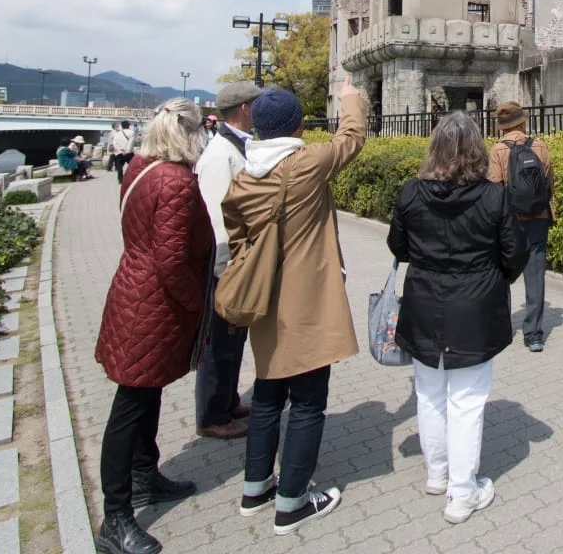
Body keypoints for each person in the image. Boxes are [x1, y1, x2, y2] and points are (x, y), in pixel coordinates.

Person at [223, 79, 366, 537]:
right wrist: (348, 95)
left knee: (267, 394)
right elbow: (352, 138)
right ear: (298, 125)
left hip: (264, 299)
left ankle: (255, 488)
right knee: (307, 400)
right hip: (306, 300)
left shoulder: (244, 177)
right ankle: (293, 502)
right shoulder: (305, 164)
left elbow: (237, 235)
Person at [389, 112, 528, 525]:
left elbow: (399, 246)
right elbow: (514, 253)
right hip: (475, 305)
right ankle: (462, 491)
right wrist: (492, 278)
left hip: (424, 301)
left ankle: (438, 473)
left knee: (429, 393)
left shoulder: (411, 192)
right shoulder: (492, 196)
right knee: (466, 401)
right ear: (476, 149)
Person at [92, 98, 214, 554]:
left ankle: (145, 475)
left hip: (131, 289)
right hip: (155, 303)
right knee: (131, 404)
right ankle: (116, 517)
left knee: (146, 394)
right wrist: (195, 303)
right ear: (190, 131)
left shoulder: (140, 167)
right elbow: (171, 260)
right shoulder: (177, 181)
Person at [191, 82, 263, 441]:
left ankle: (228, 400)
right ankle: (212, 414)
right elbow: (218, 218)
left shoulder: (237, 144)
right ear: (245, 108)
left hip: (238, 262)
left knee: (233, 340)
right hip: (227, 264)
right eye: (256, 103)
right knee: (219, 343)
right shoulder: (221, 154)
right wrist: (228, 267)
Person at [488, 102, 554, 352]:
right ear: (522, 122)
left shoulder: (498, 149)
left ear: (503, 126)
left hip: (509, 219)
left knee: (503, 272)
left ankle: (502, 326)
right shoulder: (539, 145)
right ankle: (534, 333)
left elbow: (493, 188)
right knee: (535, 273)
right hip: (538, 216)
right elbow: (549, 181)